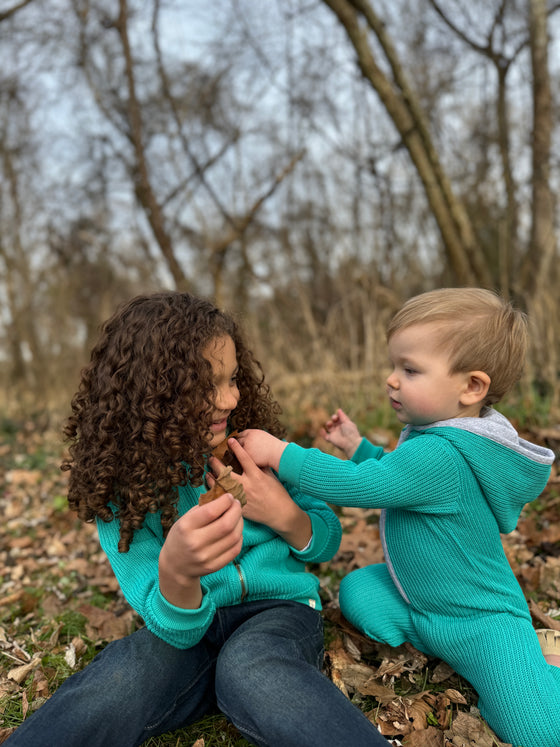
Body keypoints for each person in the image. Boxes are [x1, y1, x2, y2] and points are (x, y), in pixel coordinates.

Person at [6, 292, 388, 747]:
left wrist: (285, 514)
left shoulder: (257, 450)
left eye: (232, 379)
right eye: (208, 385)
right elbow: (173, 627)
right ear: (152, 396)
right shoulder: (123, 491)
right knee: (124, 675)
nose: (229, 397)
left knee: (253, 668)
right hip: (185, 636)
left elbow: (326, 540)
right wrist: (178, 573)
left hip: (278, 612)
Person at [238, 287, 560, 747]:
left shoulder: (444, 454)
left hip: (479, 618)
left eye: (409, 369)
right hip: (423, 604)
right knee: (359, 592)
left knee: (540, 730)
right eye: (394, 365)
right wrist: (359, 447)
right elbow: (394, 477)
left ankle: (543, 665)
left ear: (472, 386)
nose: (391, 379)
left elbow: (368, 486)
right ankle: (432, 640)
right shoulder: (439, 435)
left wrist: (283, 454)